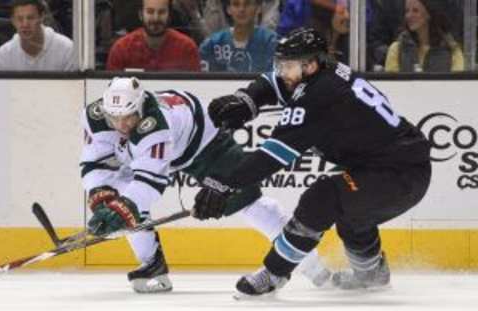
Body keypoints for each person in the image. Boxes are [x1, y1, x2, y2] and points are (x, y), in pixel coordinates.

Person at [192, 28, 432, 297]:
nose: (284, 72)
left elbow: (271, 157)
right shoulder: (324, 73)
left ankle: (274, 273)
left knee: (323, 197)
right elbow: (272, 83)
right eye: (281, 64)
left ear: (311, 64)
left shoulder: (319, 95)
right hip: (392, 166)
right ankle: (372, 274)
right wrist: (247, 100)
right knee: (351, 209)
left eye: (290, 66)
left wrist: (224, 184)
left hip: (399, 175)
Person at [81, 76, 331, 293]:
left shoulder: (156, 123)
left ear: (141, 107)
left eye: (128, 117)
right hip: (161, 145)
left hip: (206, 143)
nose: (122, 125)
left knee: (251, 205)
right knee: (124, 200)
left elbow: (149, 182)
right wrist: (102, 196)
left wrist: (120, 210)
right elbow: (95, 163)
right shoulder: (97, 117)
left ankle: (316, 268)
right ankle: (152, 266)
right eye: (115, 118)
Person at [106, 0, 200, 71]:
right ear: (140, 15)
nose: (156, 18)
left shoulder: (187, 48)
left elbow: (195, 90)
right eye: (150, 12)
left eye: (161, 12)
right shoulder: (121, 49)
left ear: (170, 15)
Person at [384, 0, 464, 72]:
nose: (408, 16)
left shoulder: (452, 50)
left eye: (415, 11)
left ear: (429, 14)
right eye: (407, 11)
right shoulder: (396, 49)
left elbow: (457, 85)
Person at [199, 0, 277, 72]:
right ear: (228, 9)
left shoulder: (271, 41)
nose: (241, 9)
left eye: (247, 4)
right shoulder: (211, 44)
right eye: (236, 4)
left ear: (259, 8)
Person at [0, 0, 76, 71]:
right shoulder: (3, 55)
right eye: (20, 19)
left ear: (41, 17)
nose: (25, 24)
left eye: (30, 18)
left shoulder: (67, 49)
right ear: (13, 21)